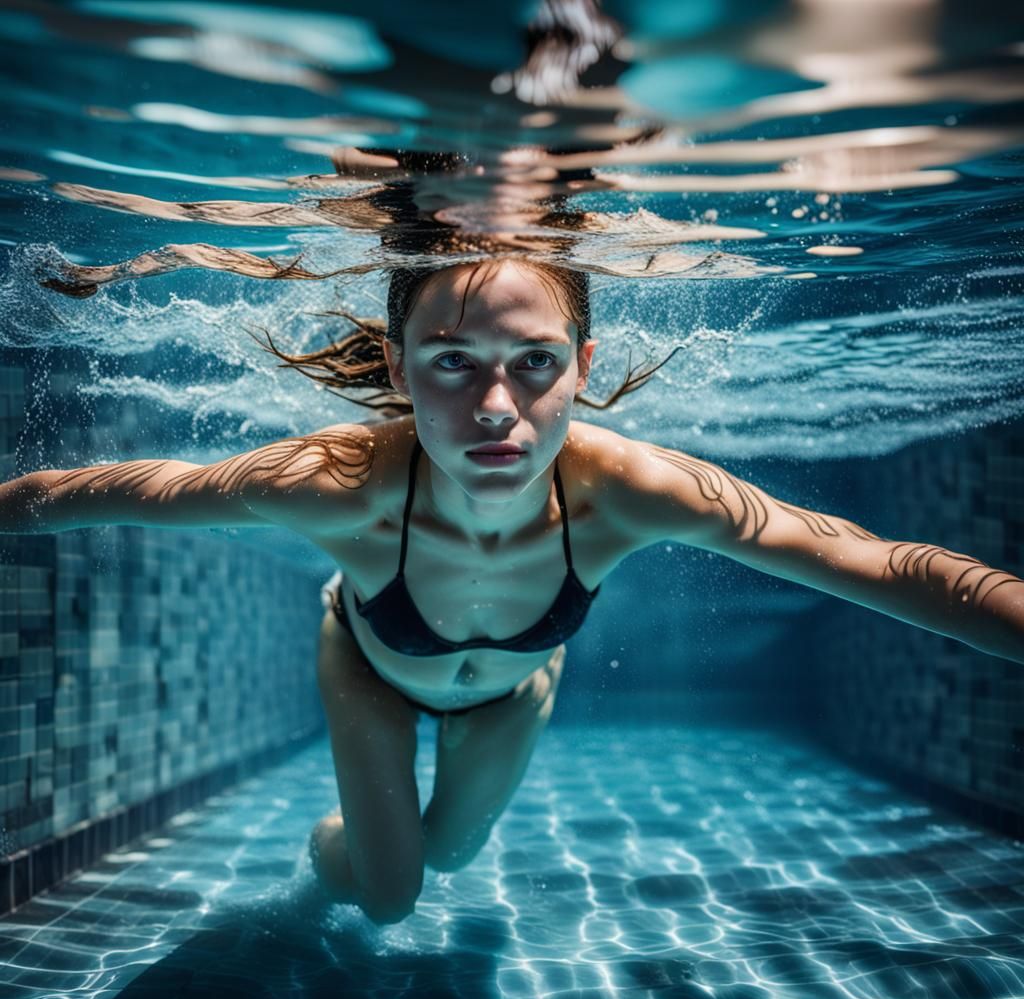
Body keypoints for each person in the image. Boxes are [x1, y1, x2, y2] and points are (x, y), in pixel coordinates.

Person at [2, 256, 1022, 927]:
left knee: (450, 857)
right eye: (452, 363)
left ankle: (380, 835)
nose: (497, 408)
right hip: (367, 669)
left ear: (580, 365)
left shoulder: (631, 491)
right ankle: (339, 852)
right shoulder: (338, 487)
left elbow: (875, 561)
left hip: (512, 695)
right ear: (399, 369)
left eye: (533, 362)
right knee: (390, 897)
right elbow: (104, 493)